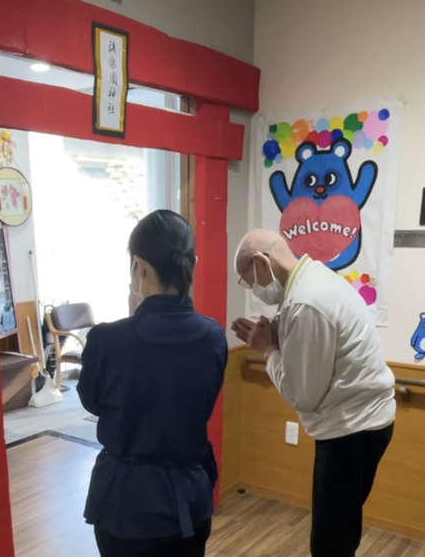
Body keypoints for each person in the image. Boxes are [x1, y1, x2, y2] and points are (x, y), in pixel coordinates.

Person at [231, 228, 395, 557]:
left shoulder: (305, 302)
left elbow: (303, 395)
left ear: (261, 262)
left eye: (248, 280)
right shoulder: (316, 278)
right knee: (340, 529)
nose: (253, 289)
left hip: (350, 431)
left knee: (330, 542)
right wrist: (279, 337)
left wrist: (268, 350)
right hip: (364, 423)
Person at [77, 209, 228, 557]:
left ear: (138, 267)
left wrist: (134, 320)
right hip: (190, 497)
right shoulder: (212, 336)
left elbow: (93, 402)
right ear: (192, 264)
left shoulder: (107, 340)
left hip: (126, 503)